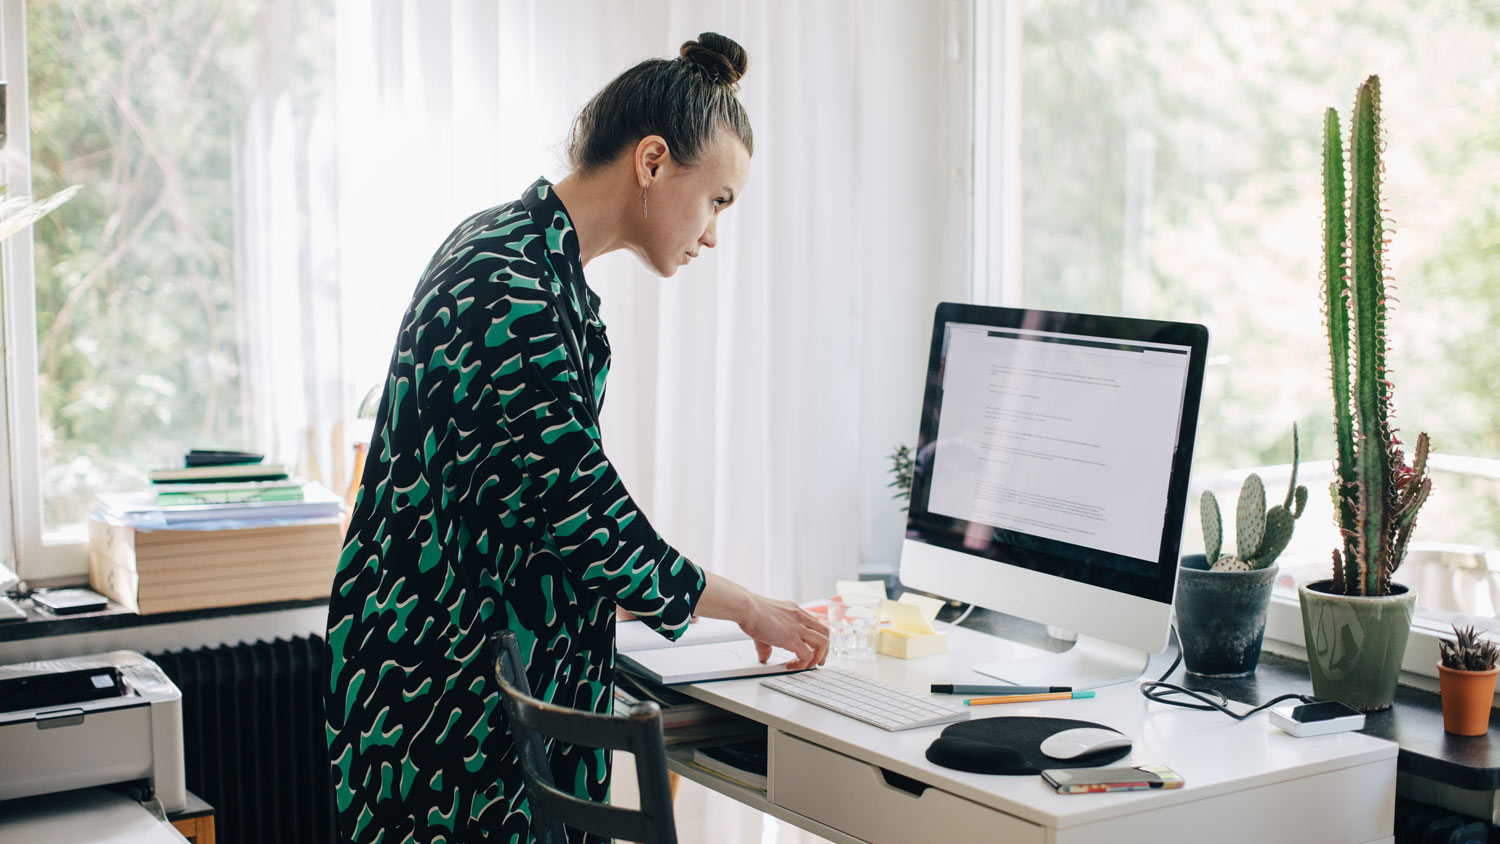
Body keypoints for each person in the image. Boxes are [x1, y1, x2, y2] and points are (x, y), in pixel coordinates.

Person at [325, 32, 829, 843]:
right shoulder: (511, 287)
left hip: (464, 670)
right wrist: (749, 610)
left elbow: (524, 501)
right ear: (654, 161)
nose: (712, 234)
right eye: (719, 201)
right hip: (440, 701)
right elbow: (587, 517)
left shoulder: (519, 254)